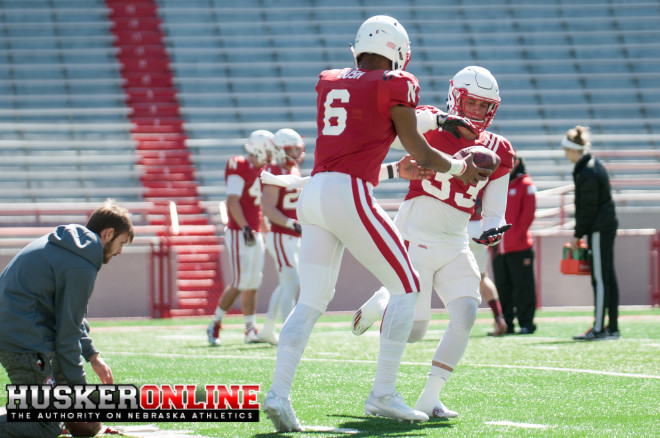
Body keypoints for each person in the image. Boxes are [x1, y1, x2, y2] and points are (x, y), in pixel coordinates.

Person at [263, 16, 489, 433]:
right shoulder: (396, 82)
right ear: (398, 51)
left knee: (311, 301)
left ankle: (278, 392)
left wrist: (438, 120)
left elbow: (371, 125)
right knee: (406, 285)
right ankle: (383, 393)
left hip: (315, 195)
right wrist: (458, 166)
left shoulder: (330, 80)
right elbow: (414, 144)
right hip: (347, 193)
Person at [351, 65, 515, 418]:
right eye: (471, 103)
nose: (477, 112)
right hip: (417, 233)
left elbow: (494, 209)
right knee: (415, 332)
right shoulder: (429, 122)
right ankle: (383, 300)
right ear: (456, 98)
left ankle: (430, 397)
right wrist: (436, 121)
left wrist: (493, 227)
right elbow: (395, 131)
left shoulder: (499, 149)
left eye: (484, 106)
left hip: (455, 239)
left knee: (467, 311)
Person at [0, 199, 134, 438]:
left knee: (56, 408)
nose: (121, 251)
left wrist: (92, 355)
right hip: (22, 340)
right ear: (108, 233)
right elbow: (67, 335)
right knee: (45, 425)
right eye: (121, 243)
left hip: (21, 330)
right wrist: (81, 397)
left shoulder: (71, 248)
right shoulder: (81, 264)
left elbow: (71, 318)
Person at [207, 130, 274, 345]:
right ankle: (215, 323)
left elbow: (258, 203)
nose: (271, 154)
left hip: (253, 230)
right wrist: (245, 226)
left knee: (254, 282)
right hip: (239, 231)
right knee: (239, 281)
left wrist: (263, 226)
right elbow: (233, 200)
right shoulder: (239, 164)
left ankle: (249, 330)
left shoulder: (260, 170)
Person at [562, 125, 620, 341]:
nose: (565, 154)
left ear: (574, 150)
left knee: (600, 279)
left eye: (566, 150)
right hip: (605, 225)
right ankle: (612, 327)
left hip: (599, 227)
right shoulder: (592, 165)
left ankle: (598, 328)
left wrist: (578, 234)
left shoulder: (586, 170)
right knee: (608, 277)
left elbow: (587, 207)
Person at [257, 128, 306, 346]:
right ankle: (290, 333)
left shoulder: (293, 168)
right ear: (279, 149)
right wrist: (290, 223)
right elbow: (267, 208)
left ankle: (268, 330)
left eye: (298, 147)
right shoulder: (274, 170)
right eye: (291, 148)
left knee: (286, 283)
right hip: (280, 234)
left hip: (293, 234)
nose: (296, 152)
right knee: (292, 281)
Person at [491, 155, 538, 335]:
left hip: (519, 248)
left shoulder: (526, 185)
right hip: (498, 248)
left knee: (523, 287)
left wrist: (513, 239)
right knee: (503, 287)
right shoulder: (496, 184)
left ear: (516, 163)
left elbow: (527, 217)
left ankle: (526, 323)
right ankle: (508, 324)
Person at [467, 198, 508, 336]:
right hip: (478, 227)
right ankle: (499, 318)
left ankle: (460, 320)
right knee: (483, 277)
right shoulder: (481, 178)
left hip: (459, 226)